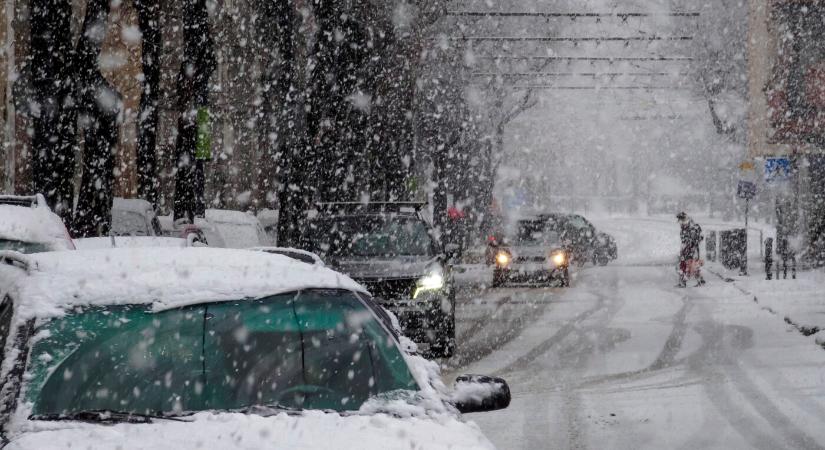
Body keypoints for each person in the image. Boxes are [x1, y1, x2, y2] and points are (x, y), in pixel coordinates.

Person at [677, 212, 706, 287]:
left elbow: (699, 237)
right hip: (686, 248)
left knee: (690, 264)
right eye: (679, 221)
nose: (680, 223)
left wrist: (693, 241)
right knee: (687, 264)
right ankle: (699, 280)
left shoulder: (693, 227)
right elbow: (684, 239)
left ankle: (684, 281)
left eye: (681, 221)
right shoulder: (685, 227)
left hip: (692, 249)